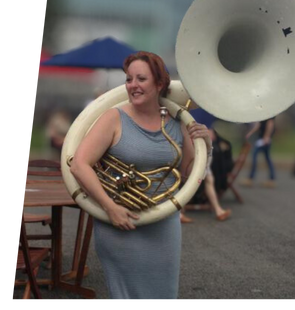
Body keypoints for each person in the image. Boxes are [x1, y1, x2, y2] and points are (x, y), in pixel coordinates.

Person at [70, 51, 212, 302]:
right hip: (119, 221)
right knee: (126, 296)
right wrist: (110, 207)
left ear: (159, 84)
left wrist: (205, 146)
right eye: (129, 79)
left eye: (141, 79)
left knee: (164, 294)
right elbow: (80, 165)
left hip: (163, 222)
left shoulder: (177, 122)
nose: (133, 85)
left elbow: (187, 174)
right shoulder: (113, 118)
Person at [180, 128, 232, 222]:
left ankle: (218, 210)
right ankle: (179, 212)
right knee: (187, 177)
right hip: (191, 154)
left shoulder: (203, 124)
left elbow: (209, 140)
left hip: (199, 153)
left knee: (208, 178)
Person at [240, 118, 276, 188]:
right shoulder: (265, 115)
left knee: (254, 156)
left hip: (263, 140)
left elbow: (270, 124)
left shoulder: (269, 115)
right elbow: (259, 125)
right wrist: (251, 132)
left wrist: (266, 136)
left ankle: (251, 178)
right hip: (263, 139)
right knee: (267, 159)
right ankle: (272, 179)